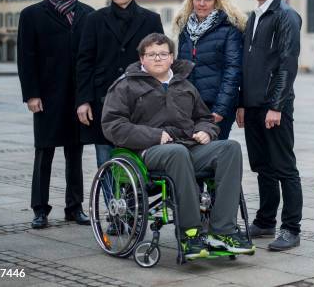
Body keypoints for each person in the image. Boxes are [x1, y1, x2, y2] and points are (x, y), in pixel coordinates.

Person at [101, 33, 254, 258]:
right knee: (177, 152)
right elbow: (113, 125)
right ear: (142, 58)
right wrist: (155, 135)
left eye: (163, 54)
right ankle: (190, 233)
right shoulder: (125, 86)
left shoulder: (184, 85)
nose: (158, 58)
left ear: (172, 58)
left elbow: (204, 117)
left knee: (229, 148)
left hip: (186, 146)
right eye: (152, 54)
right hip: (145, 152)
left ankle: (222, 232)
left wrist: (206, 130)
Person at [17, 0, 94, 229]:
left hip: (78, 98)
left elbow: (91, 58)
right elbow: (26, 58)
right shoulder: (32, 15)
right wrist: (31, 95)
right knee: (44, 153)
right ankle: (40, 210)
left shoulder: (88, 14)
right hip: (47, 97)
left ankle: (75, 208)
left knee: (76, 153)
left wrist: (89, 96)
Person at [236, 0, 303, 251]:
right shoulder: (255, 16)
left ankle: (291, 228)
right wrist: (242, 103)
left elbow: (287, 64)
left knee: (284, 168)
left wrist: (276, 105)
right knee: (263, 167)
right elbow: (247, 64)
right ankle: (265, 222)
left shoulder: (285, 16)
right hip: (252, 106)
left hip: (274, 107)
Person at [76, 0, 163, 169]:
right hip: (102, 99)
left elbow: (159, 60)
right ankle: (111, 202)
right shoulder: (94, 19)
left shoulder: (151, 19)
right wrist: (83, 101)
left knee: (137, 157)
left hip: (141, 98)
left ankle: (133, 200)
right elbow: (84, 62)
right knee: (105, 157)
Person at [175, 0, 245, 139]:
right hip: (190, 106)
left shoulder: (229, 29)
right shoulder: (185, 29)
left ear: (217, 1)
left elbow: (233, 71)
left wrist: (220, 109)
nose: (202, 3)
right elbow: (180, 69)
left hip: (216, 105)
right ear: (191, 1)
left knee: (213, 154)